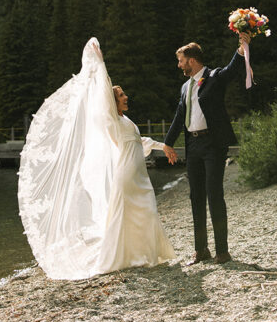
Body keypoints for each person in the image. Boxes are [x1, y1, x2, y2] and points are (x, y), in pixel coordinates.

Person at [18, 37, 175, 280]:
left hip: (138, 175)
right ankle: (120, 257)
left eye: (124, 94)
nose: (126, 97)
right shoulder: (111, 121)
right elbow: (104, 92)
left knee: (145, 211)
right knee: (126, 214)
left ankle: (145, 254)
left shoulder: (126, 122)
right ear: (113, 103)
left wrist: (162, 146)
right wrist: (100, 65)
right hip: (126, 175)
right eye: (121, 95)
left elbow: (139, 141)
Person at [164, 33, 250, 265]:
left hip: (213, 144)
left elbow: (233, 69)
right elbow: (179, 116)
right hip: (192, 146)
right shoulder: (184, 87)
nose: (179, 64)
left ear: (192, 60)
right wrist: (168, 143)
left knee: (214, 195)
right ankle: (201, 250)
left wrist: (242, 48)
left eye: (181, 60)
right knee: (196, 197)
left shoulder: (214, 76)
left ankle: (222, 251)